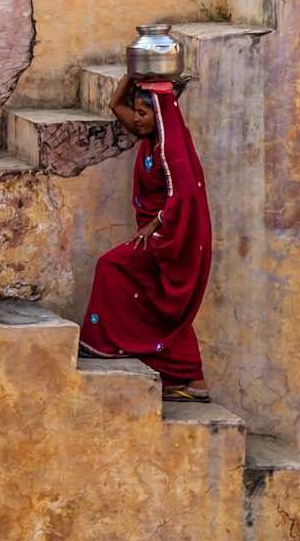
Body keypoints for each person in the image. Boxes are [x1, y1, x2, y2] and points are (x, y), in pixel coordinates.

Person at [78, 74, 211, 401]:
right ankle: (191, 380)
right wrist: (134, 73)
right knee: (160, 303)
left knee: (111, 266)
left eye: (143, 113)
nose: (136, 119)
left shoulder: (171, 148)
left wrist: (154, 225)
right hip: (158, 238)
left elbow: (184, 198)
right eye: (136, 112)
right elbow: (115, 104)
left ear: (160, 114)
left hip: (171, 239)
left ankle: (103, 344)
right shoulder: (151, 137)